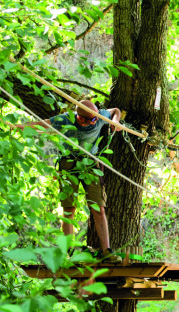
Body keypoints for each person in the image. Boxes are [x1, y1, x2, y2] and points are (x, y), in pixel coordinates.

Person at [14, 100, 123, 264]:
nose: (95, 121)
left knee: (98, 208)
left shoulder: (99, 117)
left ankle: (106, 251)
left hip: (90, 163)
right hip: (68, 163)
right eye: (92, 119)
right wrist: (18, 127)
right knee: (68, 209)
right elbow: (41, 124)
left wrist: (115, 121)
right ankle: (70, 253)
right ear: (80, 118)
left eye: (96, 118)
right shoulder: (65, 119)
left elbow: (115, 110)